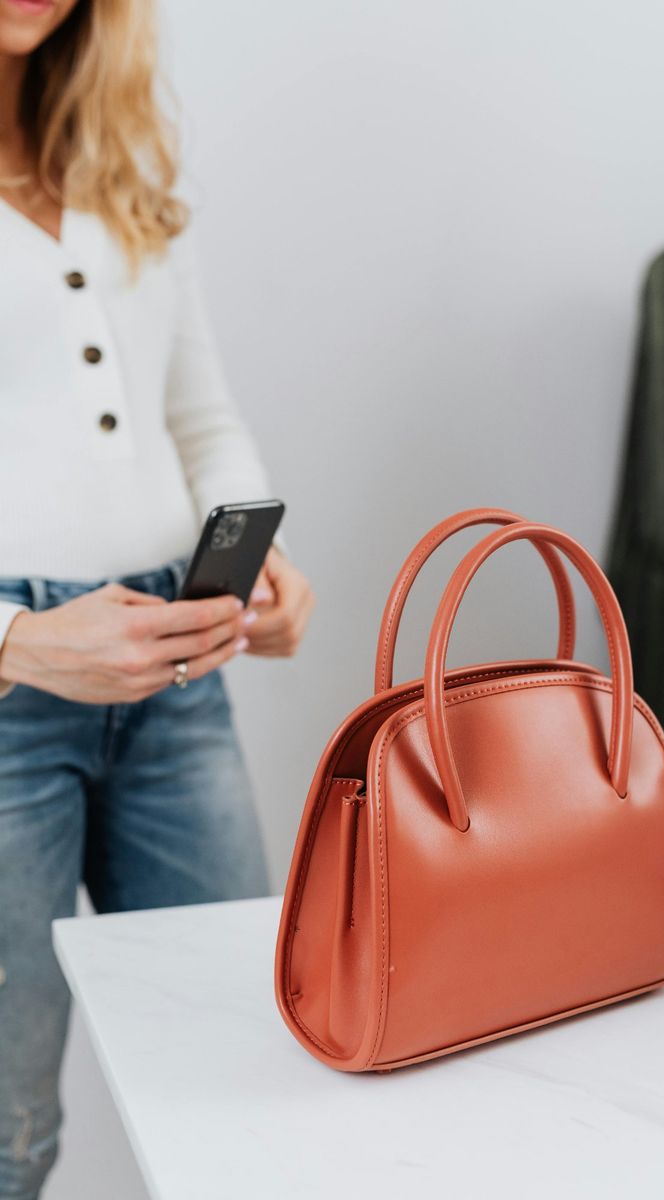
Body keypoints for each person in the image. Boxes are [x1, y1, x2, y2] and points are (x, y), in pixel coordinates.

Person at [0, 1, 314, 1195]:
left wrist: (254, 557)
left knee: (258, 1063)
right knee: (9, 1132)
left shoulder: (119, 155)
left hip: (176, 683)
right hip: (8, 693)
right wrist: (21, 640)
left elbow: (200, 417)